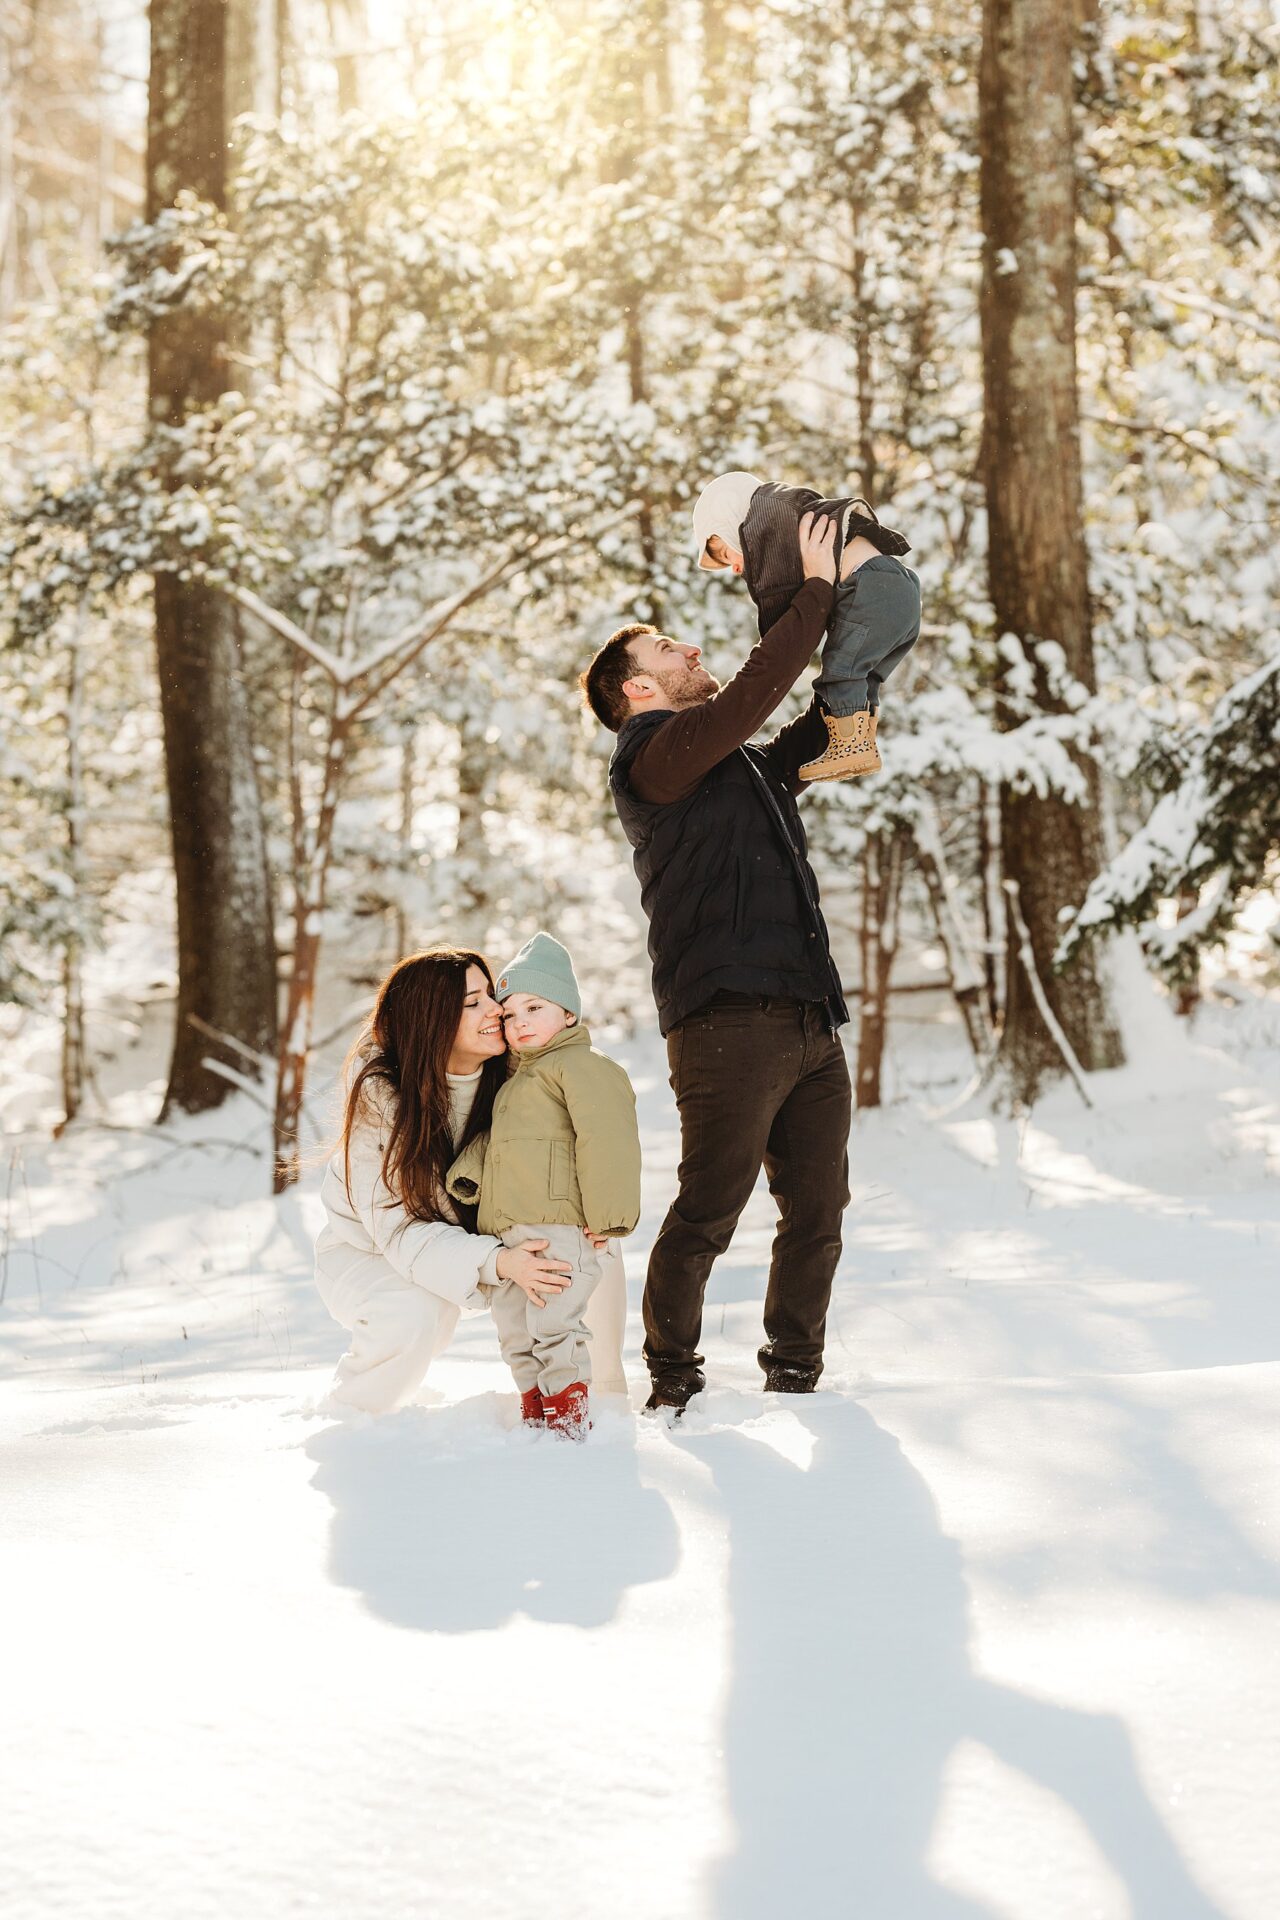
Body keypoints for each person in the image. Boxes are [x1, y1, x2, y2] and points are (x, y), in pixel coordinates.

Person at [579, 513, 853, 1416]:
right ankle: (673, 1380)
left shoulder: (736, 765)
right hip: (726, 1023)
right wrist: (808, 592)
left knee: (818, 1211)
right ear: (636, 687)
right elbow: (751, 695)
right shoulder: (653, 761)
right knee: (708, 1212)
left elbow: (803, 733)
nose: (690, 646)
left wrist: (855, 648)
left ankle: (797, 1377)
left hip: (810, 1018)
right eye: (668, 646)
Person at [313, 945, 627, 1416]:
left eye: (491, 994)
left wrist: (594, 1218)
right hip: (368, 1250)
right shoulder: (380, 1101)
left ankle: (601, 1401)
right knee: (418, 1311)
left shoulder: (517, 1075)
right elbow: (398, 1230)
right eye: (473, 1002)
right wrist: (499, 1263)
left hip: (474, 1241)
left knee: (589, 1247)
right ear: (432, 1021)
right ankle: (353, 1416)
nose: (498, 1010)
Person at [447, 933, 642, 1439]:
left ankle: (570, 1422)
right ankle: (537, 1414)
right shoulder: (516, 1081)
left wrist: (608, 1219)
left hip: (558, 1226)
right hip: (510, 1234)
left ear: (569, 1014)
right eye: (509, 1014)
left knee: (555, 1327)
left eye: (535, 1006)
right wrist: (467, 1178)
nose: (520, 1021)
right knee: (515, 1331)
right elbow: (498, 1141)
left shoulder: (583, 1068)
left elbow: (609, 1140)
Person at [691, 469, 921, 780]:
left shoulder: (768, 523)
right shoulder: (787, 506)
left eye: (723, 551)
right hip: (900, 589)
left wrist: (773, 643)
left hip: (870, 589)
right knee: (865, 675)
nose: (732, 566)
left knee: (840, 670)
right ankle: (860, 743)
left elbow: (777, 599)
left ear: (732, 520)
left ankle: (851, 746)